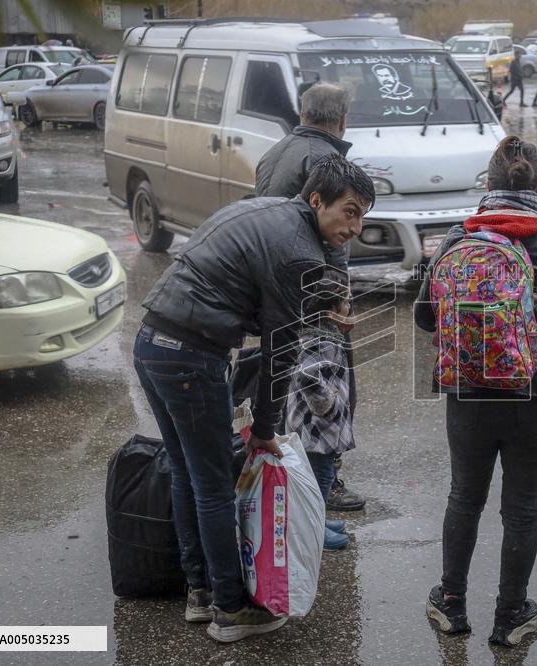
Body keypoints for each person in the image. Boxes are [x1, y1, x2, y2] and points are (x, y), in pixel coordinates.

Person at [134, 155, 374, 643]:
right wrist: (264, 432)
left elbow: (257, 303)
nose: (357, 226)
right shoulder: (297, 252)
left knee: (189, 473)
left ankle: (200, 591)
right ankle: (230, 609)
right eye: (349, 211)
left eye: (363, 215)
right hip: (189, 359)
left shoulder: (267, 211)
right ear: (316, 200)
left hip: (153, 344)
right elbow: (278, 353)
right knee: (216, 484)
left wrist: (322, 309)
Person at [416, 136, 537, 647]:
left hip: (468, 392)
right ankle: (510, 616)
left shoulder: (458, 238)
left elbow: (422, 315)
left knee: (464, 497)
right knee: (521, 508)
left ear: (489, 186)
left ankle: (450, 603)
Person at [255, 82, 368, 514]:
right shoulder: (326, 160)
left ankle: (290, 470)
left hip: (276, 284)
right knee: (327, 390)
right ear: (341, 118)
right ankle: (323, 482)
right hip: (311, 288)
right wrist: (339, 295)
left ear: (304, 113)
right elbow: (335, 237)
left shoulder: (276, 151)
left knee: (285, 378)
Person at [285, 269, 356, 552]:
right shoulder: (320, 340)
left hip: (318, 428)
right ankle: (312, 531)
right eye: (347, 302)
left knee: (319, 479)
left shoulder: (325, 336)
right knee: (319, 481)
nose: (351, 308)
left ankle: (318, 521)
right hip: (315, 430)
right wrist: (325, 405)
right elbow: (306, 376)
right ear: (330, 312)